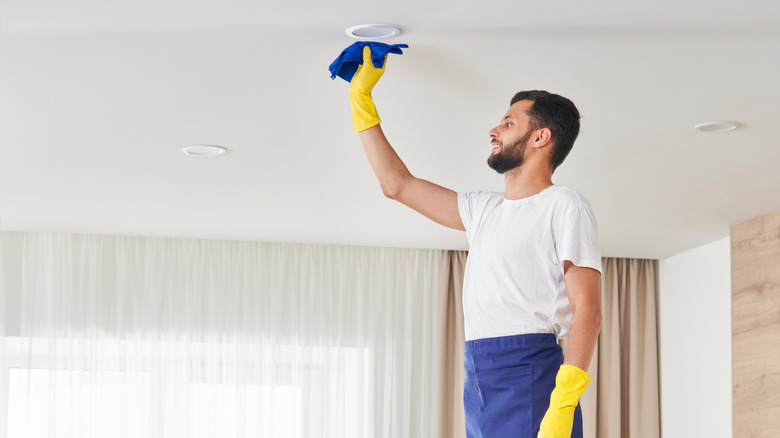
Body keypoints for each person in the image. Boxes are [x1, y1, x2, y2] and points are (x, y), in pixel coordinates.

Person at [346, 46, 602, 438]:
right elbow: (397, 185)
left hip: (529, 369)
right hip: (479, 370)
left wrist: (564, 400)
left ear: (541, 137)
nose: (494, 131)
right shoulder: (483, 210)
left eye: (508, 123)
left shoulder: (563, 205)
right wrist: (361, 100)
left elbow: (588, 309)